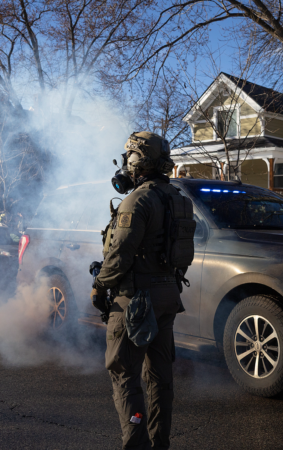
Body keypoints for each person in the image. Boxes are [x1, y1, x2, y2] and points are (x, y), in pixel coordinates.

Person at [94, 131, 190, 450]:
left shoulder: (137, 200)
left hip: (136, 302)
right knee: (160, 380)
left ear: (138, 160)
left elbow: (120, 255)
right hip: (166, 298)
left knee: (125, 377)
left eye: (128, 157)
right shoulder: (178, 198)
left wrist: (99, 285)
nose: (126, 163)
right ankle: (159, 443)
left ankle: (135, 443)